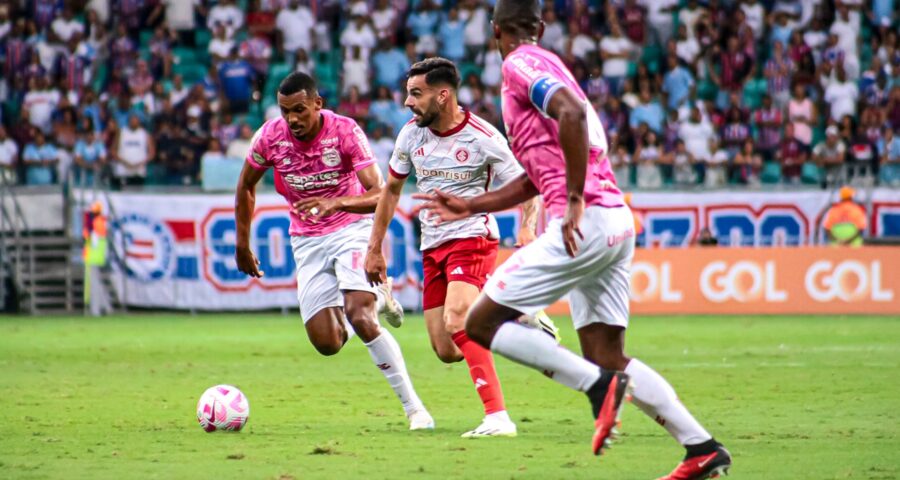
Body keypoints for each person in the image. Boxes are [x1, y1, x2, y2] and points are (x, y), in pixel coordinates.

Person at [415, 2, 731, 479]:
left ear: (495, 30)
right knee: (608, 354)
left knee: (478, 323)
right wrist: (473, 204)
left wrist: (577, 199)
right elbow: (541, 170)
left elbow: (573, 115)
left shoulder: (521, 63)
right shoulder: (552, 64)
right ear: (540, 27)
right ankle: (701, 447)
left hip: (582, 221)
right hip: (613, 223)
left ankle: (597, 388)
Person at [364, 58, 555, 438]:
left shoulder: (483, 137)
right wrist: (374, 248)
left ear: (443, 94)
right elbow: (392, 192)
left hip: (473, 235)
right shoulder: (410, 137)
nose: (407, 102)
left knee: (456, 318)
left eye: (416, 94)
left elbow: (527, 186)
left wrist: (528, 229)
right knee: (447, 348)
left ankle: (498, 417)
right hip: (432, 244)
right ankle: (512, 313)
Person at [234, 72, 433, 430]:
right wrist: (242, 243)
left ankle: (415, 409)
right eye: (285, 111)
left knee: (360, 315)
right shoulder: (269, 137)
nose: (292, 119)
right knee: (328, 343)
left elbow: (380, 193)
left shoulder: (344, 131)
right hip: (306, 241)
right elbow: (246, 186)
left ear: (317, 104)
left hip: (350, 230)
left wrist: (335, 202)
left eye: (299, 110)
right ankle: (378, 299)